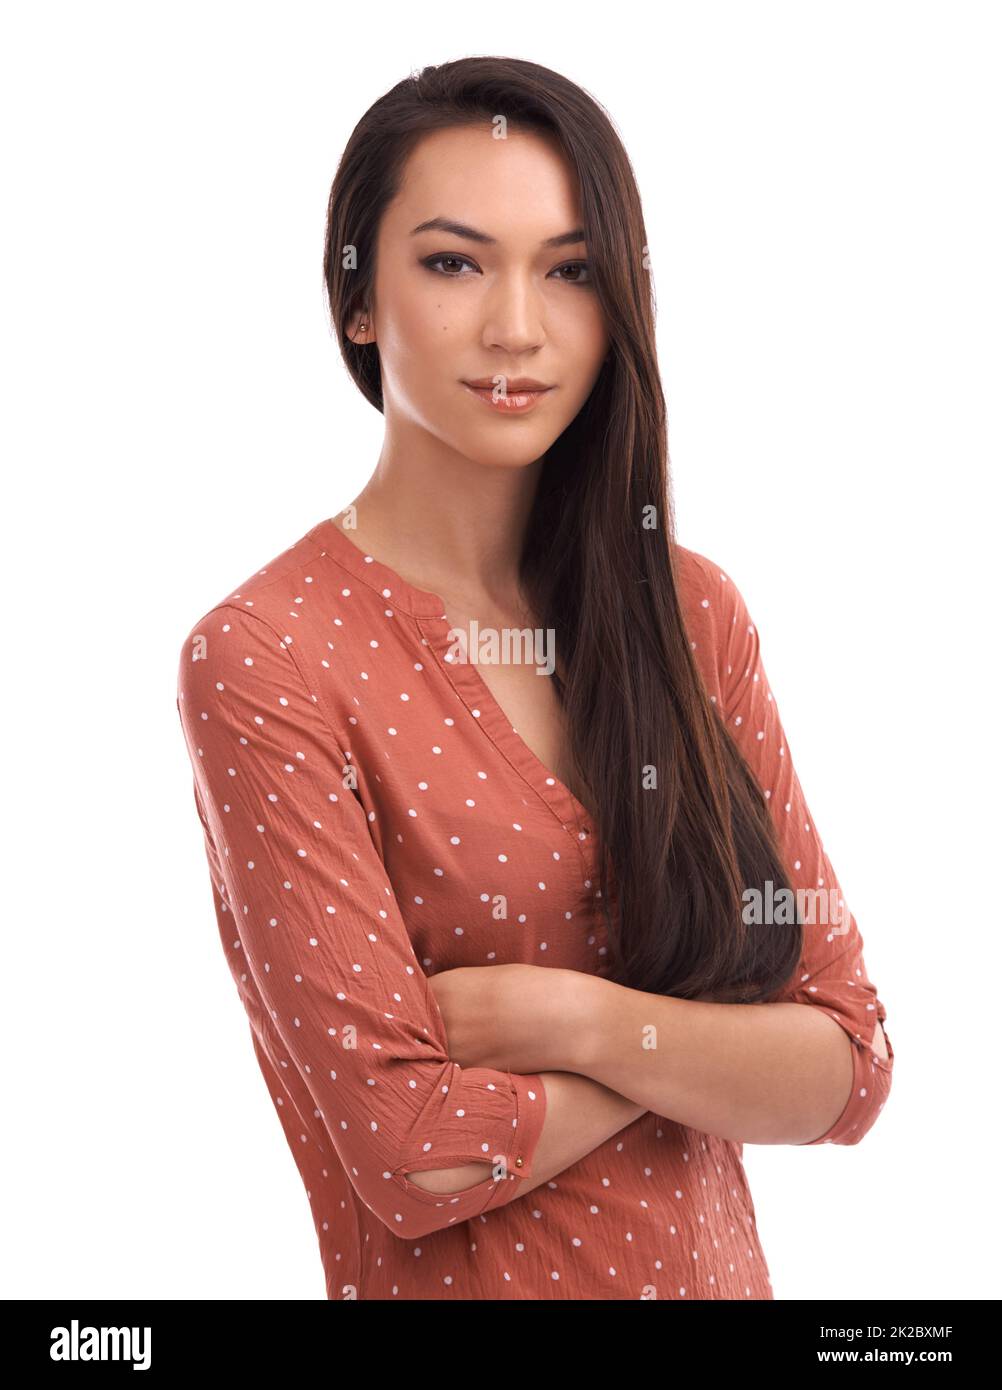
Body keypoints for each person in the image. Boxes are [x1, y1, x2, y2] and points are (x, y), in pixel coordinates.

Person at [176, 56, 893, 1301]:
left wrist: (576, 1023)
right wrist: (704, 1050)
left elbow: (850, 1063)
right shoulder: (268, 656)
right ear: (355, 299)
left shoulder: (688, 610)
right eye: (455, 262)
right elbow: (411, 1158)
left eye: (569, 270)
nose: (519, 326)